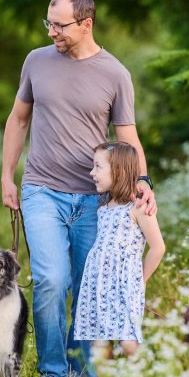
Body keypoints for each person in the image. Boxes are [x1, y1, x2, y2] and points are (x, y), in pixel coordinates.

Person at [1, 0, 157, 377]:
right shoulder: (36, 61)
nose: (52, 32)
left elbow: (127, 137)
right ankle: (53, 376)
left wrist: (142, 180)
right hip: (42, 190)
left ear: (86, 24)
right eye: (48, 23)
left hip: (96, 200)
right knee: (51, 280)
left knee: (90, 287)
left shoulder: (115, 74)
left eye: (60, 25)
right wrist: (7, 177)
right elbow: (18, 120)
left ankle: (82, 373)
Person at [73, 142, 165, 356]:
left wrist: (141, 280)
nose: (92, 172)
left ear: (118, 171)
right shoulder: (104, 208)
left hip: (125, 283)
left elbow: (158, 248)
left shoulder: (139, 207)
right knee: (99, 344)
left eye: (98, 167)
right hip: (99, 284)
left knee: (128, 341)